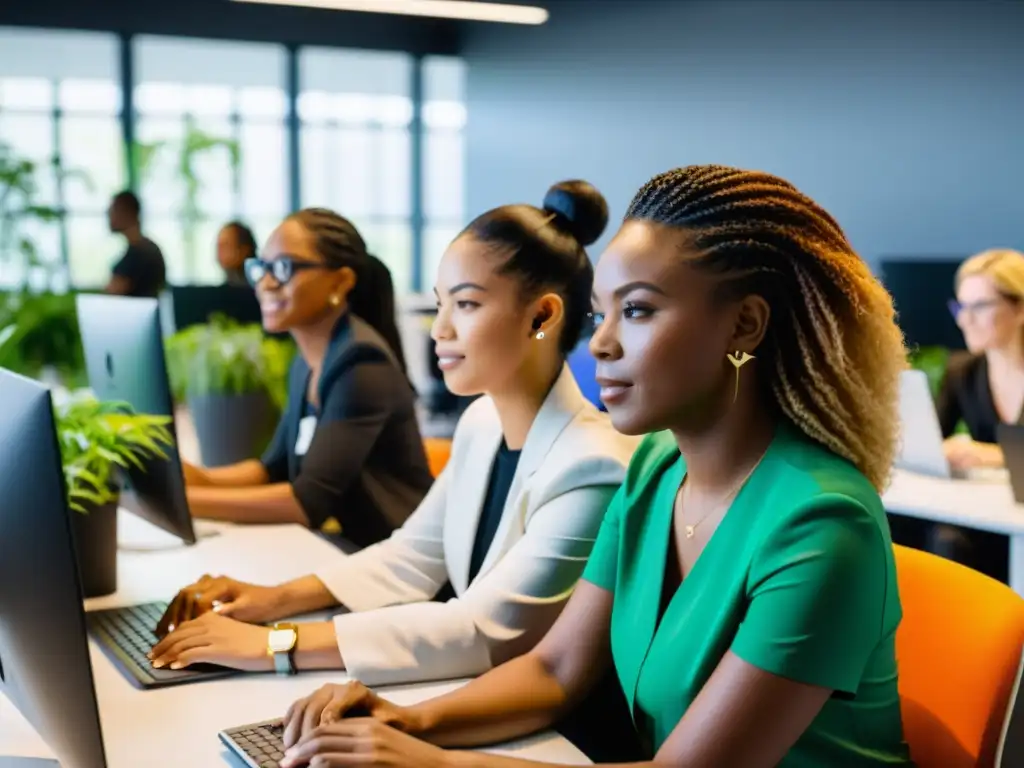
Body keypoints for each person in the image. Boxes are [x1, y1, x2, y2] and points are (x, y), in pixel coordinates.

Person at [273, 165, 913, 768]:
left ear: (744, 325)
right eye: (602, 313)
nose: (602, 343)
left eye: (636, 310)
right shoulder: (655, 470)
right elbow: (554, 670)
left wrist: (436, 762)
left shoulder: (823, 525)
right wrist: (403, 721)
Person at [149, 182, 639, 722]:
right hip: (467, 692)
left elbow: (481, 630)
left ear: (542, 317)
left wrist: (274, 645)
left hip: (543, 734)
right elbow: (412, 556)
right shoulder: (482, 421)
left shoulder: (592, 466)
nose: (441, 328)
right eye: (440, 303)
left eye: (467, 303)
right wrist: (270, 600)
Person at [177, 208, 432, 547]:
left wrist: (187, 502)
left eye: (284, 268)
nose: (266, 283)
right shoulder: (308, 361)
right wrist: (197, 478)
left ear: (340, 282)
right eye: (261, 268)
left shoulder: (362, 364)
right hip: (346, 550)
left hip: (397, 563)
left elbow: (306, 503)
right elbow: (273, 468)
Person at [912, 248, 1024, 582]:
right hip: (985, 514)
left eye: (980, 306)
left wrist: (989, 455)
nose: (964, 319)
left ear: (1019, 308)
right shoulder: (963, 370)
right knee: (936, 536)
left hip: (1015, 523)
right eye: (961, 306)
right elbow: (931, 441)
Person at [105, 190, 166, 298]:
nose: (109, 215)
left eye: (112, 210)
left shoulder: (142, 253)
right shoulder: (145, 248)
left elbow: (115, 291)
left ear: (127, 213)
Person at [217, 220, 258, 286]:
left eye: (225, 245)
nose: (219, 252)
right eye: (218, 246)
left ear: (244, 250)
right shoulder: (222, 291)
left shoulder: (261, 288)